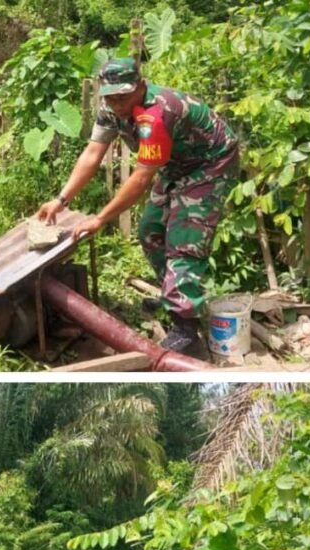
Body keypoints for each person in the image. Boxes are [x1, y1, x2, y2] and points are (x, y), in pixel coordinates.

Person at [37, 57, 239, 358]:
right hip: (174, 164)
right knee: (150, 231)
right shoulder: (109, 108)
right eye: (111, 96)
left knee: (183, 241)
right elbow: (93, 153)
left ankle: (187, 330)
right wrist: (61, 199)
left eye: (123, 96)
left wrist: (101, 218)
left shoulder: (158, 112)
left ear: (140, 86)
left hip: (209, 165)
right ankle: (174, 297)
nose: (117, 104)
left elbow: (142, 177)